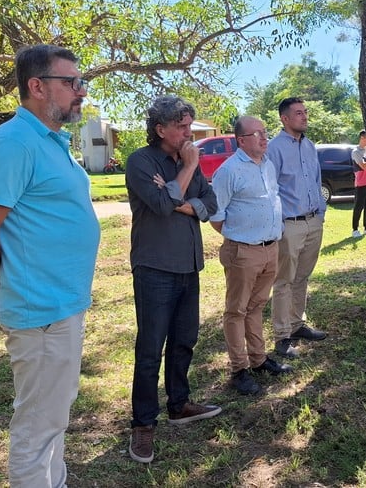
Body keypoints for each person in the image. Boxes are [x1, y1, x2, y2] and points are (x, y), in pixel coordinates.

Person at [0, 44, 100, 486]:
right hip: (41, 309)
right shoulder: (14, 143)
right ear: (37, 86)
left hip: (60, 304)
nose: (80, 91)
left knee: (52, 418)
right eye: (71, 82)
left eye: (81, 82)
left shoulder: (50, 140)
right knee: (38, 427)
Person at [125, 95, 221, 464]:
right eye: (181, 127)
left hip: (188, 265)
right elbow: (162, 206)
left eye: (189, 126)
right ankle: (143, 424)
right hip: (154, 268)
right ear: (160, 129)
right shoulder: (140, 161)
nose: (188, 133)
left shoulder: (185, 161)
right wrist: (186, 173)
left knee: (185, 340)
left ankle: (179, 405)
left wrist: (179, 196)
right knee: (150, 349)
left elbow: (209, 203)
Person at [210, 116, 293, 396]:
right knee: (236, 310)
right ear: (241, 140)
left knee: (256, 306)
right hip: (243, 251)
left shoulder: (267, 165)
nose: (264, 137)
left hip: (271, 248)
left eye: (265, 132)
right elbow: (216, 216)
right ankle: (238, 370)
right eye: (257, 133)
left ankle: (258, 359)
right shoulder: (228, 171)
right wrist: (240, 238)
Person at [266, 97, 328, 359]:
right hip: (289, 225)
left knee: (302, 277)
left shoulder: (310, 146)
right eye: (299, 113)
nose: (304, 117)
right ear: (285, 119)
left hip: (313, 221)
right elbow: (271, 190)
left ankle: (297, 324)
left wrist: (321, 214)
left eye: (305, 112)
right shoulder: (274, 148)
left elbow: (316, 181)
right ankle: (282, 336)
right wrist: (279, 223)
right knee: (284, 281)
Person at [351, 130, 366, 237]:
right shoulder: (355, 152)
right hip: (361, 183)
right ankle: (355, 229)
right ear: (362, 138)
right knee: (359, 206)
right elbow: (364, 166)